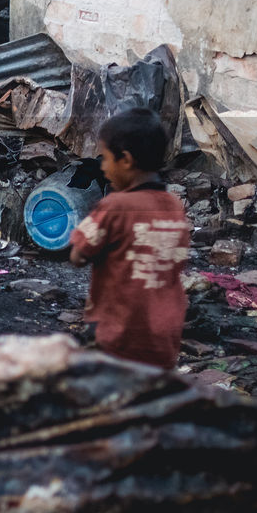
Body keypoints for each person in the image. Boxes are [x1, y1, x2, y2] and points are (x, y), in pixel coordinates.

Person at [69, 109, 190, 369]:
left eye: (105, 158)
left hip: (118, 333)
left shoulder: (115, 206)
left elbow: (78, 255)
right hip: (165, 334)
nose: (103, 166)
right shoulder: (174, 206)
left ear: (125, 160)